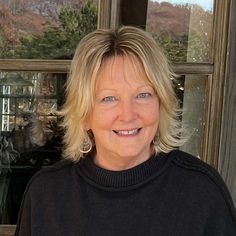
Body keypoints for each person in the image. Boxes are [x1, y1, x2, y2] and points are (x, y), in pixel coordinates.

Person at [15, 26, 236, 236]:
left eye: (143, 95)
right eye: (108, 98)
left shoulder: (202, 192)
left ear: (161, 103)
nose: (128, 115)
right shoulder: (47, 194)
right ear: (84, 115)